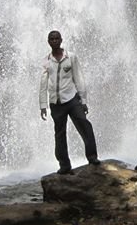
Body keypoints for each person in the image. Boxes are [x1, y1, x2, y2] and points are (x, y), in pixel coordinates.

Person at [39, 30, 99, 173]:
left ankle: (92, 157)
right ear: (48, 41)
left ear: (61, 40)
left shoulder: (71, 57)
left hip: (72, 99)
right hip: (56, 103)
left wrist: (83, 100)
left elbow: (79, 78)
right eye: (51, 39)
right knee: (59, 135)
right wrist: (43, 105)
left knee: (85, 125)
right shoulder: (46, 60)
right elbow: (43, 83)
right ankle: (64, 165)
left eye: (56, 38)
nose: (54, 41)